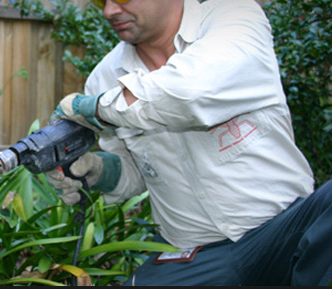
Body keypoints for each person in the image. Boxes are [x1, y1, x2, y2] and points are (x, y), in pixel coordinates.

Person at [47, 0, 332, 285]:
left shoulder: (234, 17)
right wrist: (98, 170)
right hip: (193, 252)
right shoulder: (104, 78)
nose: (109, 11)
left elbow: (189, 94)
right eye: (101, 0)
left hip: (285, 229)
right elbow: (137, 173)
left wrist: (94, 108)